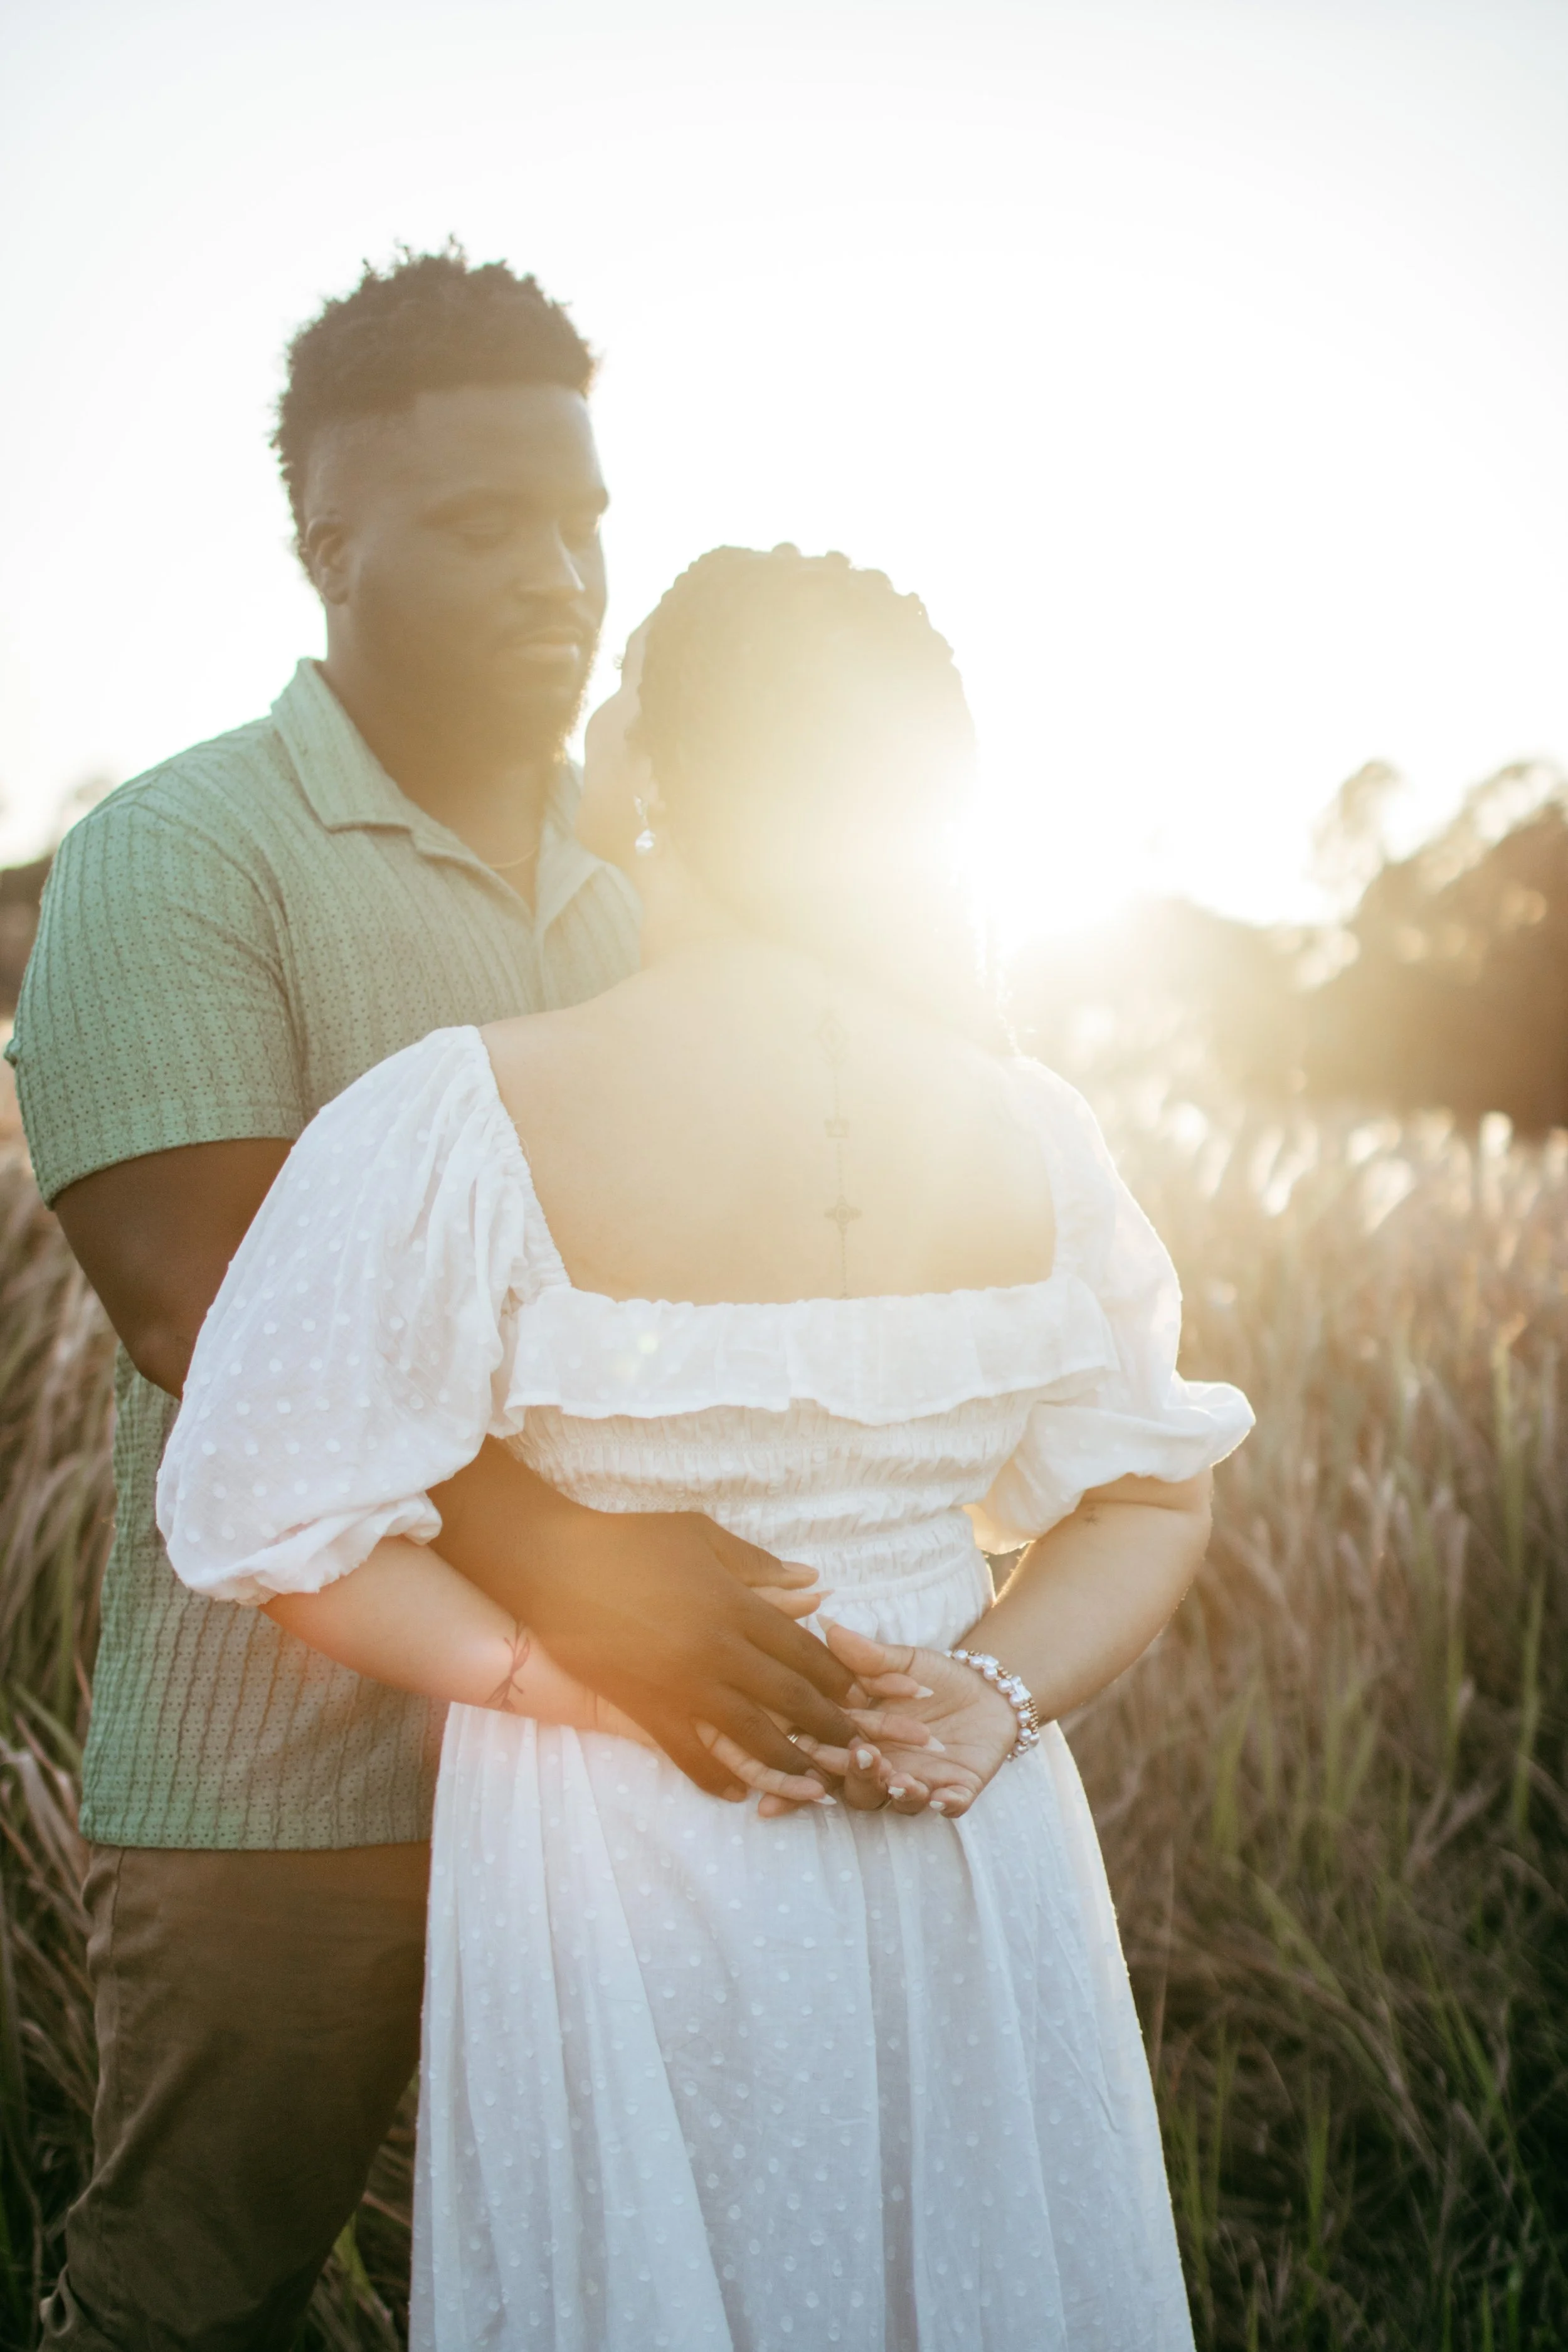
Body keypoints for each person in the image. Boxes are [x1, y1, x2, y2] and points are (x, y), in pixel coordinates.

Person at [160, 544, 1255, 2349]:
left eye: (624, 696)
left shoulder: (461, 1110)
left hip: (623, 1824)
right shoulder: (1029, 1130)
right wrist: (986, 1688)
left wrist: (546, 1670)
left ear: (661, 773)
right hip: (961, 1834)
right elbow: (1151, 1485)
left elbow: (278, 1516)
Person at [10, 251, 863, 2351]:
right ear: (328, 540)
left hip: (619, 1758)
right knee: (193, 2295)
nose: (557, 573)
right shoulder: (176, 855)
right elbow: (203, 1302)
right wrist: (572, 1560)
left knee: (631, 2281)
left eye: (581, 519)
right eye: (484, 525)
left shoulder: (666, 884)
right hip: (282, 1781)